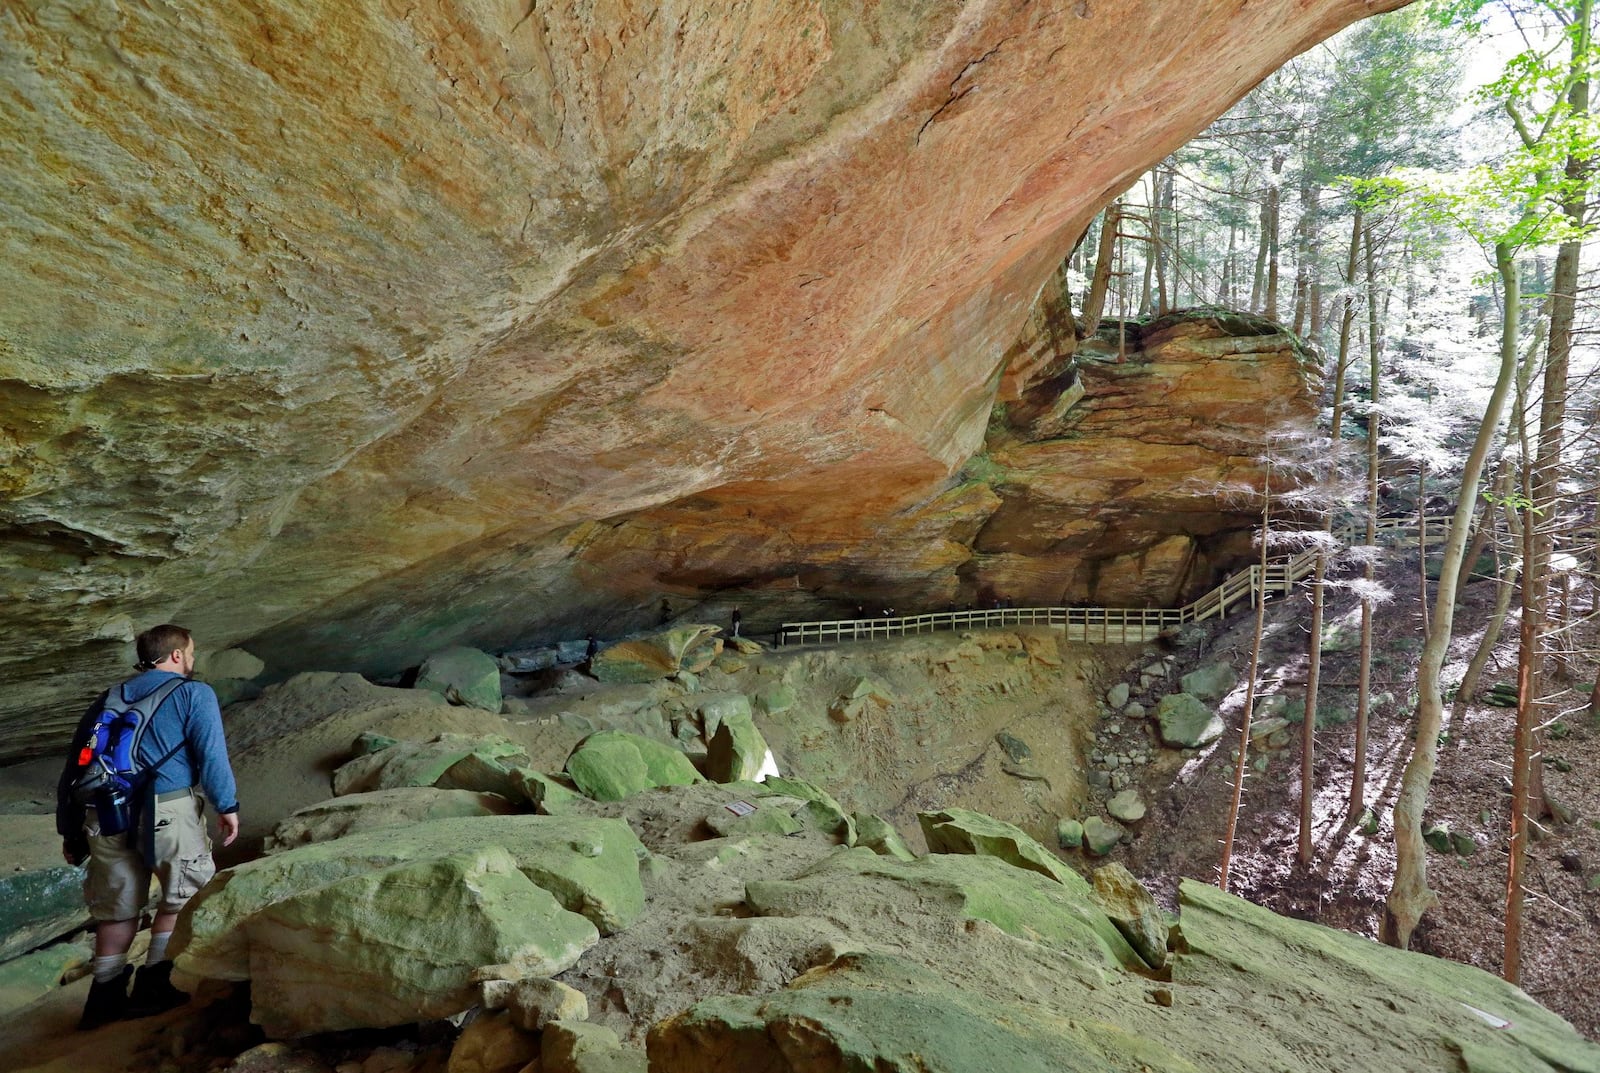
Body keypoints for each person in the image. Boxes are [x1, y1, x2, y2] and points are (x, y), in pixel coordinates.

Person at [56, 624, 240, 1030]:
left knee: (118, 906)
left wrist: (69, 830)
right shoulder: (194, 694)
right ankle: (153, 986)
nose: (193, 659)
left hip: (104, 812)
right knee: (181, 895)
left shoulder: (111, 697)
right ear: (176, 655)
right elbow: (212, 754)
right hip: (167, 808)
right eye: (191, 652)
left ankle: (103, 1000)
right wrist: (227, 805)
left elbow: (76, 764)